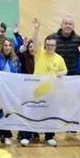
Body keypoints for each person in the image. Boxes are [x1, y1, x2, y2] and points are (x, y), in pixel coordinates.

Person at [24, 18, 68, 147]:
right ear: (45, 45)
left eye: (52, 45)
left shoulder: (59, 59)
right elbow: (34, 42)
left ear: (55, 46)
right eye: (48, 45)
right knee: (32, 112)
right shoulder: (39, 54)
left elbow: (64, 71)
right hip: (37, 89)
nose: (50, 47)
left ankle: (49, 136)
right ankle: (28, 136)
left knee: (50, 113)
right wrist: (36, 29)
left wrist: (59, 74)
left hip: (51, 91)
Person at [0, 35, 21, 144]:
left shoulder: (15, 59)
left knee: (8, 111)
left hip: (10, 90)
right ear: (2, 47)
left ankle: (7, 134)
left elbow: (18, 74)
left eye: (9, 45)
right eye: (5, 45)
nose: (7, 47)